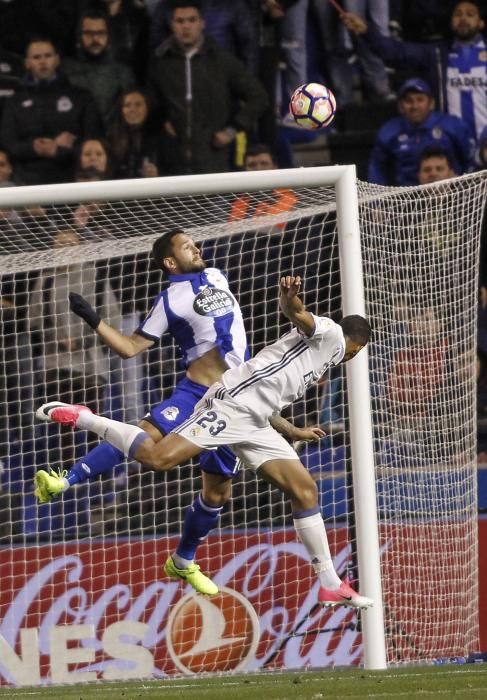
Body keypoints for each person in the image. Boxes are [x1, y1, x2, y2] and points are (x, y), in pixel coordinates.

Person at [35, 275, 373, 609]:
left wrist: (293, 431)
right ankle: (86, 418)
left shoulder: (323, 357)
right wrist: (289, 298)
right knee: (157, 459)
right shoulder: (331, 334)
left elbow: (270, 393)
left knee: (302, 491)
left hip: (255, 421)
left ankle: (329, 583)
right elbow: (297, 313)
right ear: (356, 348)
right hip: (231, 406)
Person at [32, 230, 320, 586]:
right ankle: (67, 478)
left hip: (237, 399)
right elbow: (130, 347)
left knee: (217, 492)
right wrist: (93, 319)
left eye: (194, 244)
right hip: (196, 392)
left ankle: (184, 560)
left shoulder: (216, 275)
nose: (196, 248)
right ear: (170, 262)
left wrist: (289, 428)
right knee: (147, 437)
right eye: (187, 246)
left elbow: (239, 362)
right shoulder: (170, 300)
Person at [342, 1, 487, 149]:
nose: (463, 18)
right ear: (450, 22)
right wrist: (367, 31)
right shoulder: (436, 54)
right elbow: (395, 52)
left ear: (481, 22)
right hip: (450, 147)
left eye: (470, 14)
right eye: (458, 14)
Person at [147, 0, 268, 174]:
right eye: (180, 21)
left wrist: (232, 130)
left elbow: (258, 97)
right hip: (172, 165)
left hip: (214, 163)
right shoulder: (160, 62)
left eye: (191, 20)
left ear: (202, 23)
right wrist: (161, 121)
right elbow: (152, 99)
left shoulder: (222, 61)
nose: (186, 26)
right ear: (171, 25)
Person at [1, 37, 101, 185]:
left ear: (57, 59)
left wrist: (58, 150)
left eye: (47, 56)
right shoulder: (14, 102)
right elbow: (7, 144)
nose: (42, 61)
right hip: (26, 183)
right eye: (36, 57)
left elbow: (94, 140)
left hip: (72, 179)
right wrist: (33, 147)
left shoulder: (80, 97)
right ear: (27, 63)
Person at [367, 77, 472, 186]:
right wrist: (378, 200)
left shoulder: (453, 126)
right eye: (409, 101)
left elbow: (469, 160)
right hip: (405, 197)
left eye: (420, 99)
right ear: (400, 106)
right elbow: (376, 169)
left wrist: (464, 188)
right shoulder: (388, 132)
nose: (415, 106)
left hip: (452, 194)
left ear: (431, 103)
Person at [63, 8, 135, 126]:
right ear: (79, 35)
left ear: (109, 35)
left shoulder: (122, 72)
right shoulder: (65, 70)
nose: (95, 39)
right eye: (89, 33)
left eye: (100, 33)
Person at [106, 89, 164, 178]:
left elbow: (178, 173)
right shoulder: (111, 139)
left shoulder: (161, 138)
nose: (132, 109)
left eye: (138, 104)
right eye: (127, 105)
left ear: (147, 108)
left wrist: (158, 176)